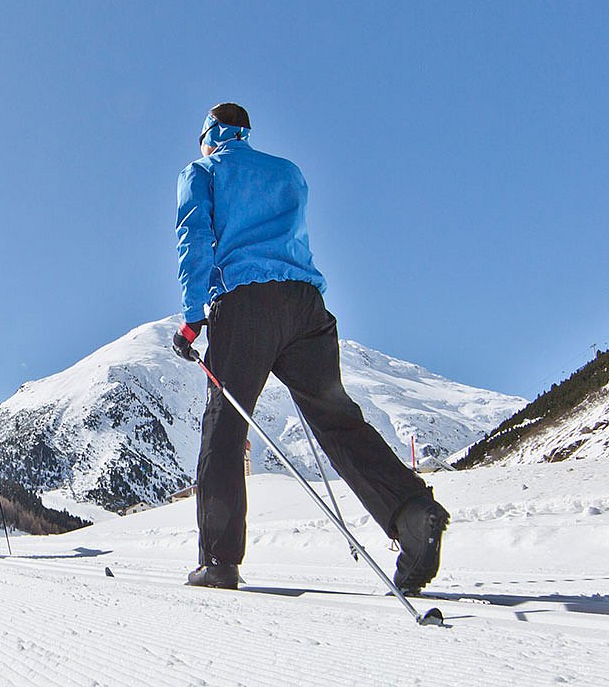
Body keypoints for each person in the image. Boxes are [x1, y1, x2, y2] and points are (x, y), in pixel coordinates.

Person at [171, 102, 448, 593]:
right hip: (306, 305)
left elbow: (195, 242)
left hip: (244, 301)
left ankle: (219, 560)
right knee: (338, 420)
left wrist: (193, 320)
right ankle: (410, 510)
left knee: (225, 426)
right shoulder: (289, 174)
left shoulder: (202, 172)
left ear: (211, 135)